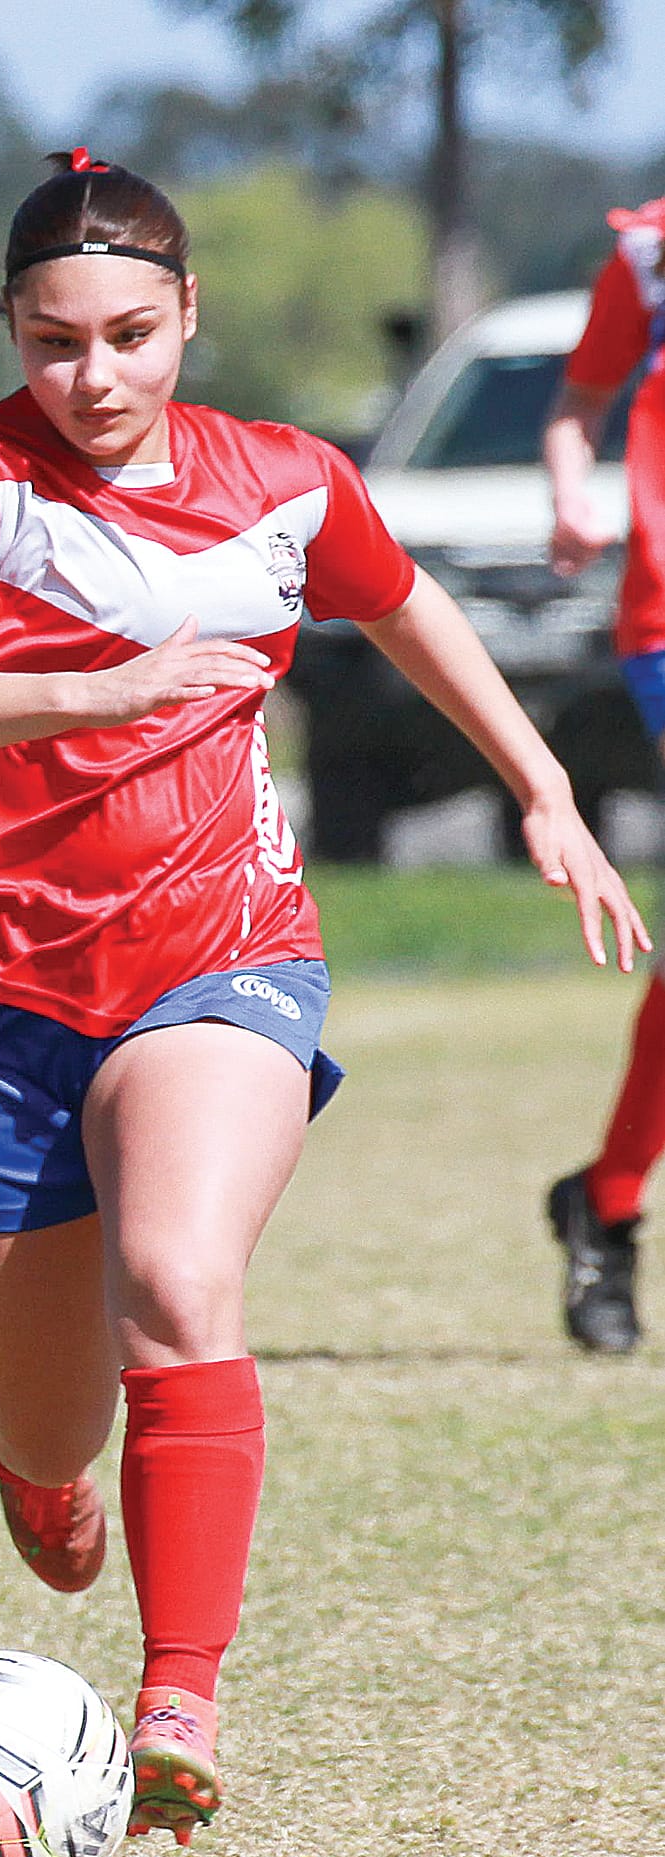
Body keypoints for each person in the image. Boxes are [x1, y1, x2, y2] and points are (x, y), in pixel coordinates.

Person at [0, 151, 645, 1847]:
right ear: (10, 332)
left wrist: (540, 786)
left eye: (132, 333)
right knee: (54, 1420)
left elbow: (403, 599)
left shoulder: (279, 478)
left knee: (176, 1274)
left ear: (187, 314)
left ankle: (177, 1695)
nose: (96, 376)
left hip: (219, 950)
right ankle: (20, 1441)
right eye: (54, 341)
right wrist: (112, 677)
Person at [543, 194, 665, 1354]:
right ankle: (612, 1203)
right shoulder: (644, 248)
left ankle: (607, 1197)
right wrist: (572, 494)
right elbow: (581, 401)